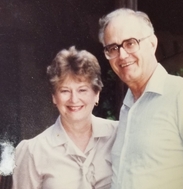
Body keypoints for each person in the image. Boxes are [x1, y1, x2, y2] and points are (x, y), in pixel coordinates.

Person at [98, 8, 183, 189]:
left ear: (152, 44)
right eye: (112, 48)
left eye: (130, 43)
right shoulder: (127, 107)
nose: (122, 55)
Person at [12, 46, 118, 189]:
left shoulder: (119, 135)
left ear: (97, 93)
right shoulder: (33, 151)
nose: (74, 99)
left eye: (82, 90)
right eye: (65, 91)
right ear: (54, 97)